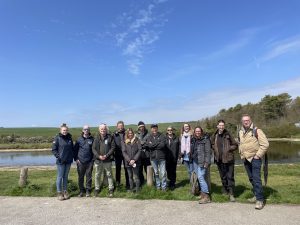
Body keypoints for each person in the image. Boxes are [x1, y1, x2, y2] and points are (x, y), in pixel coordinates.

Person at [239, 114, 269, 210]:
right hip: (246, 159)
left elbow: (265, 144)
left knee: (256, 179)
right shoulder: (240, 132)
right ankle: (256, 195)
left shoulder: (257, 130)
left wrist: (258, 155)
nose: (246, 122)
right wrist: (241, 155)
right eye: (244, 120)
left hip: (255, 159)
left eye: (247, 120)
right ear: (242, 122)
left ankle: (260, 200)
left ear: (250, 120)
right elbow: (240, 143)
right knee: (251, 178)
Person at [211, 120, 238, 202]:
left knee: (230, 176)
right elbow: (211, 144)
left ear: (224, 126)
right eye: (220, 125)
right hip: (219, 160)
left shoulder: (228, 134)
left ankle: (231, 193)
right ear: (217, 126)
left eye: (223, 125)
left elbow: (235, 145)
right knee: (223, 176)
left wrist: (228, 149)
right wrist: (215, 150)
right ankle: (225, 189)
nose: (221, 127)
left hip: (228, 159)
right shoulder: (215, 135)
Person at [51, 123, 74, 201]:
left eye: (66, 130)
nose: (65, 131)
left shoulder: (70, 138)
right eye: (64, 130)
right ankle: (59, 192)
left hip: (68, 161)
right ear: (60, 130)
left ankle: (65, 191)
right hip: (61, 161)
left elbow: (72, 149)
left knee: (66, 177)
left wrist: (72, 157)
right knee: (60, 177)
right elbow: (54, 149)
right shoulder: (57, 138)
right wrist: (58, 157)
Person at [92, 124, 116, 197]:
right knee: (97, 175)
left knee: (109, 174)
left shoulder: (110, 137)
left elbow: (113, 147)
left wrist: (106, 155)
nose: (103, 130)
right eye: (101, 129)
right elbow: (93, 149)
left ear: (106, 129)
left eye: (104, 129)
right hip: (98, 160)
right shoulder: (96, 138)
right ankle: (97, 189)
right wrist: (98, 156)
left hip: (107, 159)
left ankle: (111, 188)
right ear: (99, 130)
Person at [191, 126, 211, 204]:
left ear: (201, 132)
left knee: (201, 177)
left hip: (202, 162)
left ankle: (206, 197)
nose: (198, 132)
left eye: (199, 131)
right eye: (196, 131)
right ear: (195, 132)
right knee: (200, 178)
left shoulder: (205, 140)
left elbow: (208, 152)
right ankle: (202, 194)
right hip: (195, 161)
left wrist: (207, 162)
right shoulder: (194, 139)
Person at [74, 125, 94, 197]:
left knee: (89, 176)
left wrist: (92, 160)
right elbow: (75, 150)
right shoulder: (79, 139)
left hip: (89, 162)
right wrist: (76, 159)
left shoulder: (92, 139)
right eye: (85, 129)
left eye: (87, 129)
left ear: (89, 130)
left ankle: (88, 190)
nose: (86, 130)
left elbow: (94, 150)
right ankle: (81, 191)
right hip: (80, 162)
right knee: (81, 177)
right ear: (82, 130)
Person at [146, 124, 167, 191]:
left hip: (161, 157)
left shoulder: (162, 136)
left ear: (157, 129)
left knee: (163, 173)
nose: (154, 129)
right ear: (151, 129)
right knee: (156, 173)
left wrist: (153, 144)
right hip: (153, 158)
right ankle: (158, 186)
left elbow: (162, 145)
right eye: (153, 128)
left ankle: (164, 187)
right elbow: (149, 146)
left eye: (155, 128)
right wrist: (157, 143)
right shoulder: (149, 137)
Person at [121, 128, 142, 192]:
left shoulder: (137, 140)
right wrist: (129, 160)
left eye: (131, 133)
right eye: (129, 133)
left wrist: (134, 159)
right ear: (127, 134)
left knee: (136, 176)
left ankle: (138, 190)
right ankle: (132, 189)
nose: (130, 134)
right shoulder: (124, 141)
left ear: (133, 133)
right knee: (130, 176)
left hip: (136, 161)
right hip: (128, 162)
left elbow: (139, 150)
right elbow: (124, 152)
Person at [113, 121, 129, 188]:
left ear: (123, 126)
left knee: (127, 169)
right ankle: (118, 184)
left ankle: (128, 184)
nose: (120, 127)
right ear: (117, 127)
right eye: (119, 126)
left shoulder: (127, 133)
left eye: (121, 126)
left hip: (126, 154)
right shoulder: (114, 134)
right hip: (117, 154)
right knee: (118, 169)